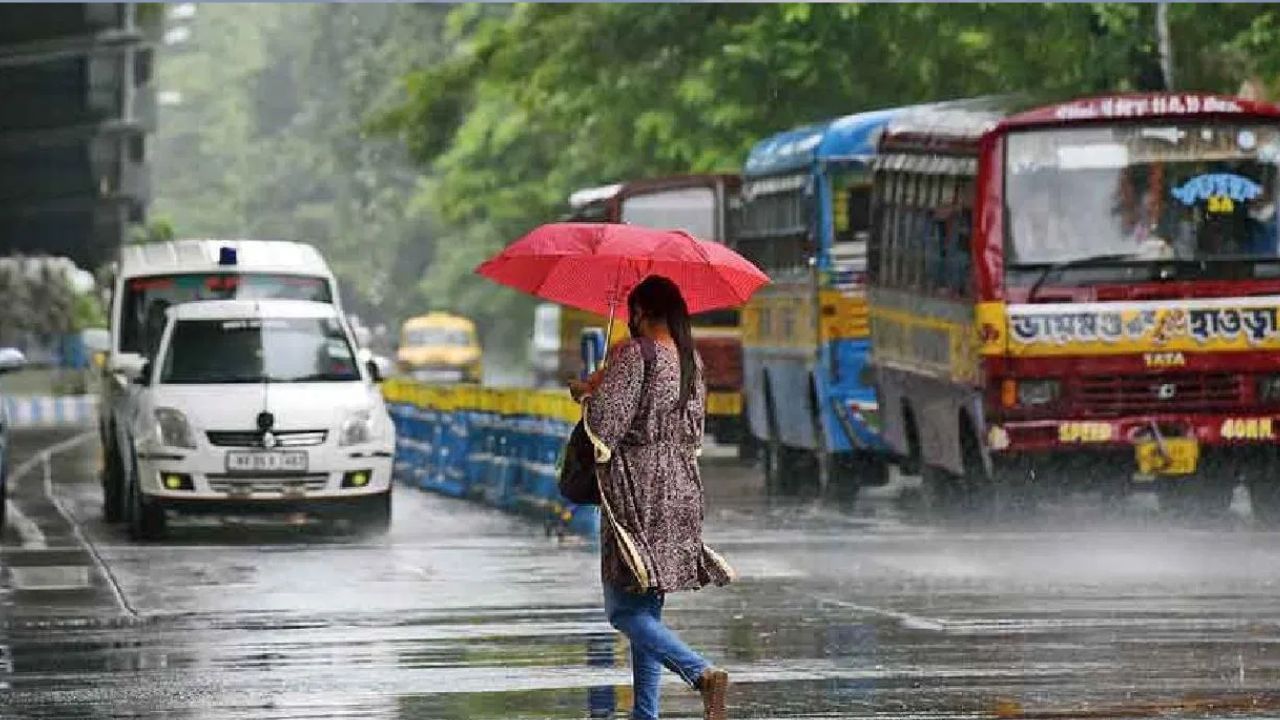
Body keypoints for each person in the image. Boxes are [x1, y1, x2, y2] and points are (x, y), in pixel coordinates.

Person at [569, 275, 735, 720]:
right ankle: (646, 714)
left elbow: (605, 429)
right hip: (680, 488)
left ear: (640, 311)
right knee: (646, 608)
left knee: (623, 610)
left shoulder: (635, 356)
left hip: (635, 491)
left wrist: (589, 394)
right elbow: (694, 430)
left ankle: (700, 673)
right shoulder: (689, 360)